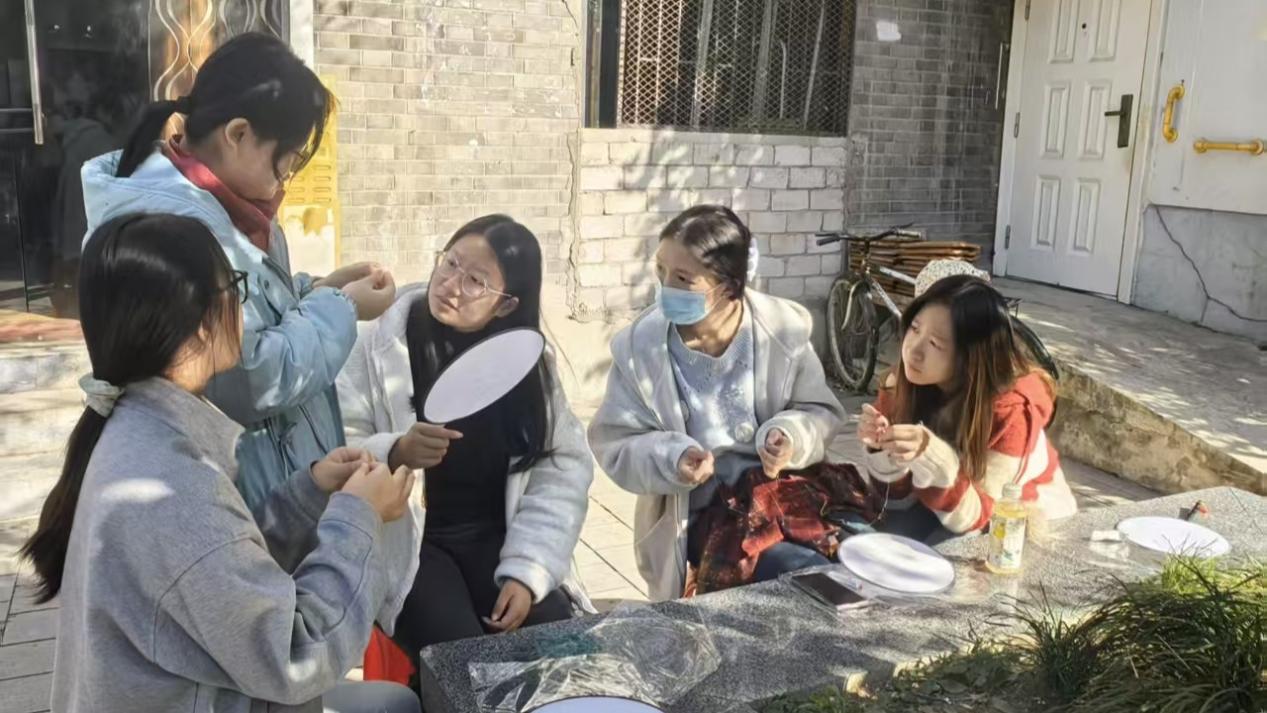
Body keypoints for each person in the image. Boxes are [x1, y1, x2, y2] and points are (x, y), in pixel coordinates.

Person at [20, 213, 419, 713]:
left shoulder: (138, 431)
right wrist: (360, 518)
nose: (242, 306)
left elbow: (219, 569)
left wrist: (310, 493)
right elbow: (296, 655)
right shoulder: (168, 484)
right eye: (235, 287)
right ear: (200, 325)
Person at [79, 32, 395, 514]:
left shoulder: (231, 203)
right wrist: (344, 308)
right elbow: (248, 377)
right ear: (238, 134)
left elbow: (262, 312)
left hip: (278, 476)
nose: (286, 180)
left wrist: (322, 289)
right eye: (286, 161)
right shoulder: (173, 235)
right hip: (239, 495)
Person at [337, 215, 594, 668]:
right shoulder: (379, 347)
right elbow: (341, 442)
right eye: (450, 262)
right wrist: (395, 451)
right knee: (462, 661)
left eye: (475, 281)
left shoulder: (528, 366)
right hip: (412, 544)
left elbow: (563, 469)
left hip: (498, 535)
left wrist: (528, 570)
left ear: (506, 305)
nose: (450, 284)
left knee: (557, 645)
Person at [587, 205, 848, 601]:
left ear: (728, 286)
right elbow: (615, 443)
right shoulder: (640, 348)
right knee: (797, 573)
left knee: (846, 564)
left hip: (782, 494)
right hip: (700, 513)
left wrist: (790, 436)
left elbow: (820, 411)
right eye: (661, 270)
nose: (665, 287)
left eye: (682, 278)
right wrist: (672, 458)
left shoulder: (782, 331)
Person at [857, 274, 1077, 542]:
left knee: (928, 551)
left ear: (969, 357)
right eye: (914, 329)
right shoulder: (902, 384)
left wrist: (932, 458)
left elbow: (978, 519)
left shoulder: (1011, 412)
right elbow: (894, 504)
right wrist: (881, 451)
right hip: (946, 506)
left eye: (935, 343)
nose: (914, 350)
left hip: (1019, 524)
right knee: (878, 538)